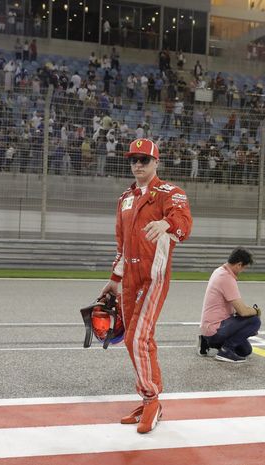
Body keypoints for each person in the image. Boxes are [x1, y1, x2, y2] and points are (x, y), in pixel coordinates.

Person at [100, 138, 192, 434]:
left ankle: (152, 400)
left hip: (154, 276)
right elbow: (121, 244)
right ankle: (148, 396)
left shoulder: (170, 192)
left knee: (137, 338)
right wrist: (114, 280)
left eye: (144, 160)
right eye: (133, 160)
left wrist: (167, 224)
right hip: (128, 278)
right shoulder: (124, 198)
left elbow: (184, 223)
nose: (138, 165)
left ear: (156, 162)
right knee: (138, 339)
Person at [198, 247, 262, 363]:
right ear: (238, 264)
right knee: (255, 321)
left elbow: (237, 309)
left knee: (245, 350)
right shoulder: (227, 278)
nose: (243, 271)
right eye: (244, 267)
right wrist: (257, 311)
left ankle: (206, 341)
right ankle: (225, 350)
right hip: (216, 328)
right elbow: (243, 311)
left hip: (211, 327)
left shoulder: (219, 271)